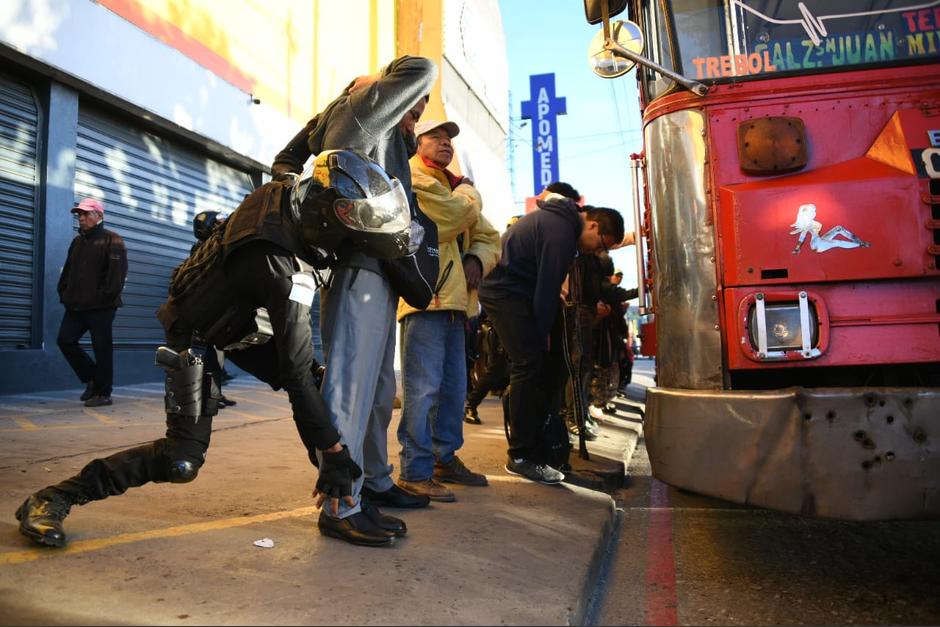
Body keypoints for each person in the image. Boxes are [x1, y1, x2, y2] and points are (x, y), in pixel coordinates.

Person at [16, 150, 417, 549]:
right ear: (326, 220)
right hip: (196, 332)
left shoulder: (287, 191)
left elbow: (297, 148)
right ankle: (54, 496)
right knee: (182, 459)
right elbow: (293, 376)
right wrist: (332, 450)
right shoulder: (283, 270)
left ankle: (346, 501)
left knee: (320, 392)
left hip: (238, 323)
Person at [270, 55, 439, 517]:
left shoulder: (379, 133)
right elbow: (421, 68)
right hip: (359, 266)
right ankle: (340, 504)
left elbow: (287, 159)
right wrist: (375, 84)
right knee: (350, 387)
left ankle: (375, 480)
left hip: (384, 270)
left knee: (379, 390)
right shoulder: (365, 108)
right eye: (412, 101)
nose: (419, 105)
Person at [478, 183, 626, 484]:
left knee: (544, 365)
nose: (597, 251)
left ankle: (537, 442)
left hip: (515, 290)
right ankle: (520, 455)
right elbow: (546, 288)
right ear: (593, 224)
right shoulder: (560, 230)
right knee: (528, 363)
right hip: (503, 291)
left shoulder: (562, 224)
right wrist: (543, 330)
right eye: (601, 244)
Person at [395, 119, 499, 501]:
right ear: (417, 142)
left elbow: (490, 237)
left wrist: (476, 257)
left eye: (449, 139)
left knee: (455, 389)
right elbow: (450, 219)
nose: (445, 144)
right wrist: (471, 192)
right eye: (435, 137)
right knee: (422, 391)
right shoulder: (413, 178)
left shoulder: (449, 186)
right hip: (426, 299)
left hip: (458, 303)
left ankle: (443, 458)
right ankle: (415, 470)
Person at [56, 198, 128, 408]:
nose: (81, 218)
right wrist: (64, 292)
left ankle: (104, 393)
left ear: (99, 216)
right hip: (76, 305)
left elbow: (116, 277)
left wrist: (103, 298)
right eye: (79, 215)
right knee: (65, 340)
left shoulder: (112, 240)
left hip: (102, 307)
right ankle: (92, 378)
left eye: (86, 214)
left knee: (102, 348)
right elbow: (68, 271)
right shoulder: (77, 242)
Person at [190, 210, 235, 409]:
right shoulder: (203, 249)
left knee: (216, 357)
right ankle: (208, 396)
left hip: (217, 309)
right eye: (218, 224)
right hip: (206, 310)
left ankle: (215, 394)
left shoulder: (215, 246)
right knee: (207, 357)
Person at [463, 309, 510, 425]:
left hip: (506, 324)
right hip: (501, 326)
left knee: (499, 370)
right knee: (495, 370)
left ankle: (471, 404)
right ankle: (471, 404)